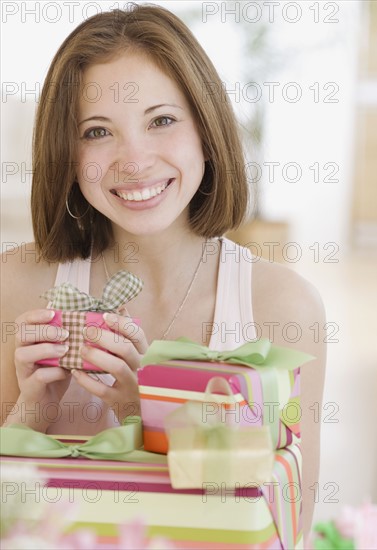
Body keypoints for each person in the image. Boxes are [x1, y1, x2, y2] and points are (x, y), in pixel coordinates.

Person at [0, 3, 326, 541]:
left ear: (206, 127)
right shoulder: (17, 284)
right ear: (67, 150)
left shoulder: (283, 308)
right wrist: (30, 414)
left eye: (162, 120)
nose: (134, 160)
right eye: (98, 131)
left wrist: (144, 414)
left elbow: (284, 530)